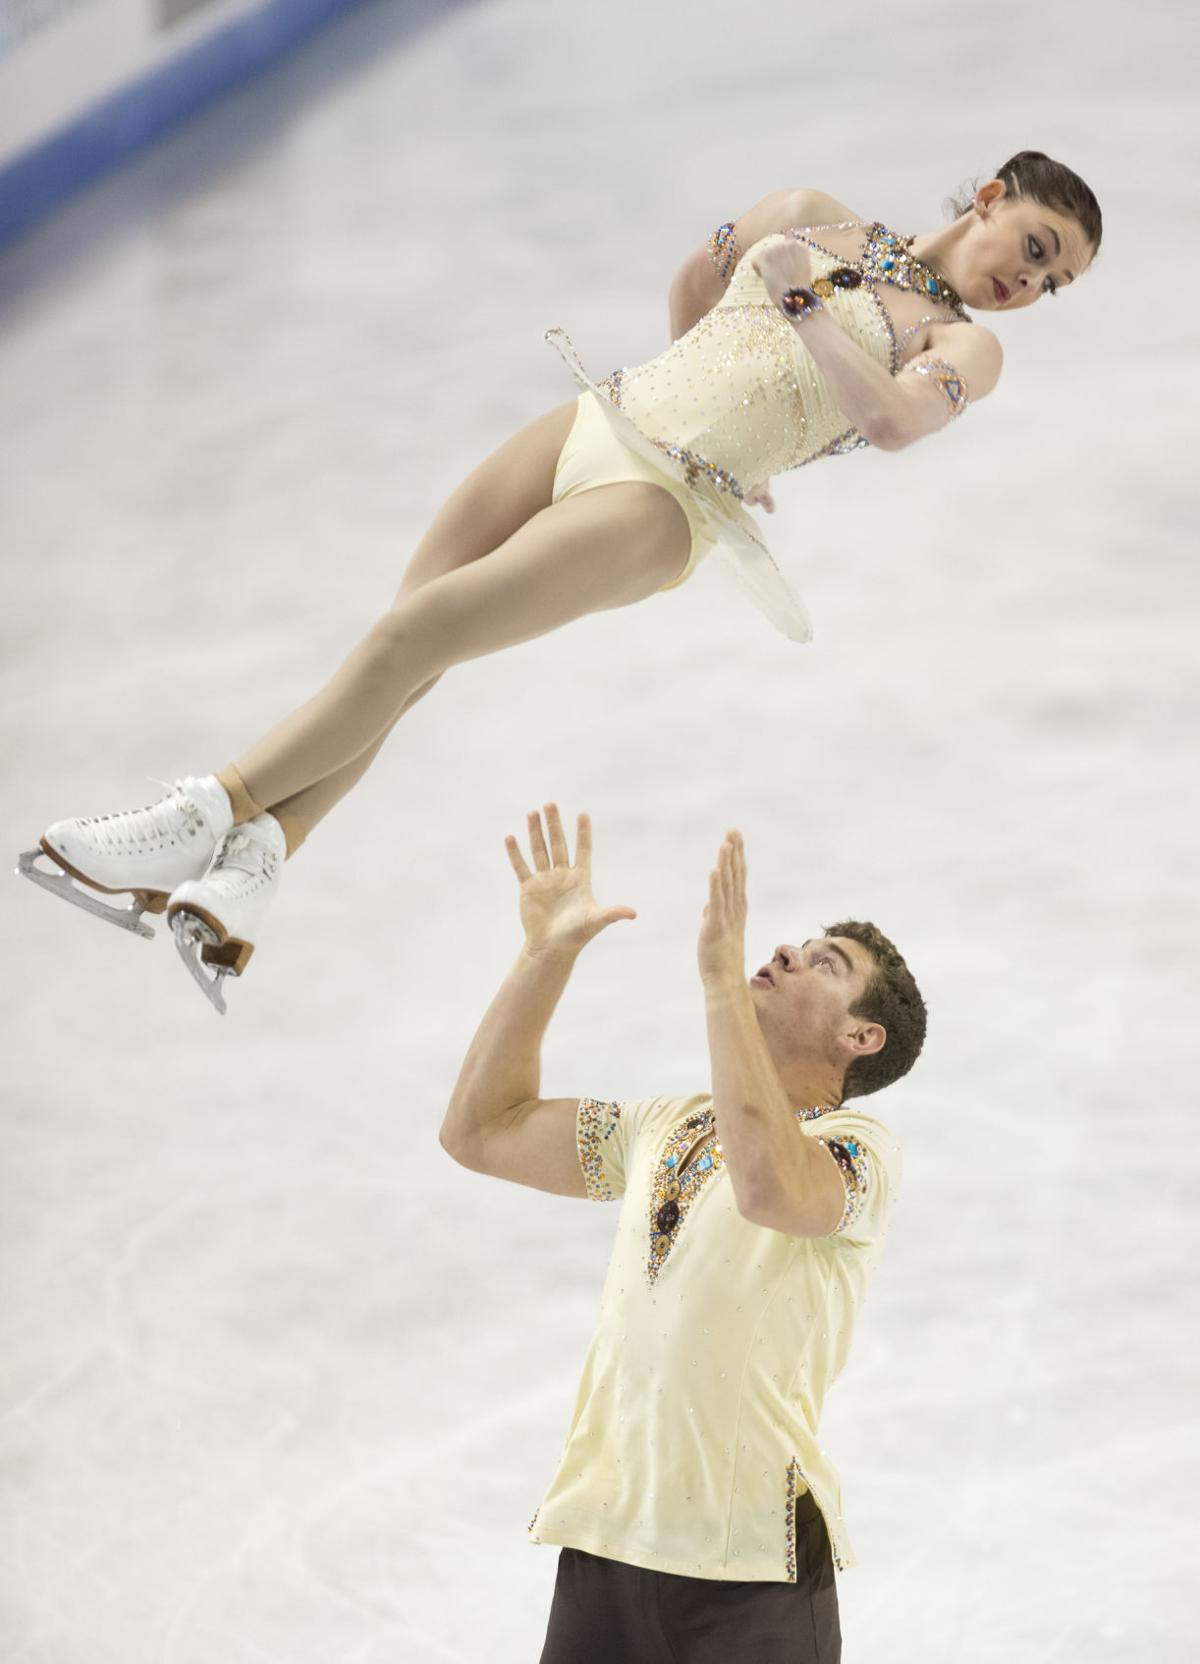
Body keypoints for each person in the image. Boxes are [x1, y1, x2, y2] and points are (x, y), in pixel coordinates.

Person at [17, 152, 1100, 1011]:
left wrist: (786, 359)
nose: (1030, 284)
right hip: (603, 413)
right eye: (1039, 247)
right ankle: (249, 872)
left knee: (420, 636)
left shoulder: (963, 346)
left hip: (663, 506)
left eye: (1052, 283)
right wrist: (728, 389)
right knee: (408, 641)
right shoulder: (813, 212)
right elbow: (697, 276)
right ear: (993, 196)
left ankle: (195, 817)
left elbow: (893, 421)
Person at [439, 804, 926, 1663]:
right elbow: (481, 1130)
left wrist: (717, 993)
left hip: (754, 1568)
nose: (783, 952)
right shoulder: (664, 1127)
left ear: (861, 1036)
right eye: (797, 944)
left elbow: (769, 1184)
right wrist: (545, 953)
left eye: (824, 963)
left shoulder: (856, 1154)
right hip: (606, 1540)